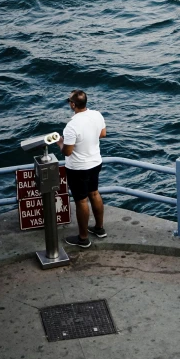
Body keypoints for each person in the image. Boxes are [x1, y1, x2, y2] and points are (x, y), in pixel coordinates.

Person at [57, 90, 107, 248]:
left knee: (81, 201)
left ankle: (83, 238)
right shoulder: (97, 115)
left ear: (73, 104)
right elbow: (103, 134)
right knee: (94, 193)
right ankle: (99, 229)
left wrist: (59, 141)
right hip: (95, 163)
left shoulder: (71, 126)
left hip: (78, 168)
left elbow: (67, 151)